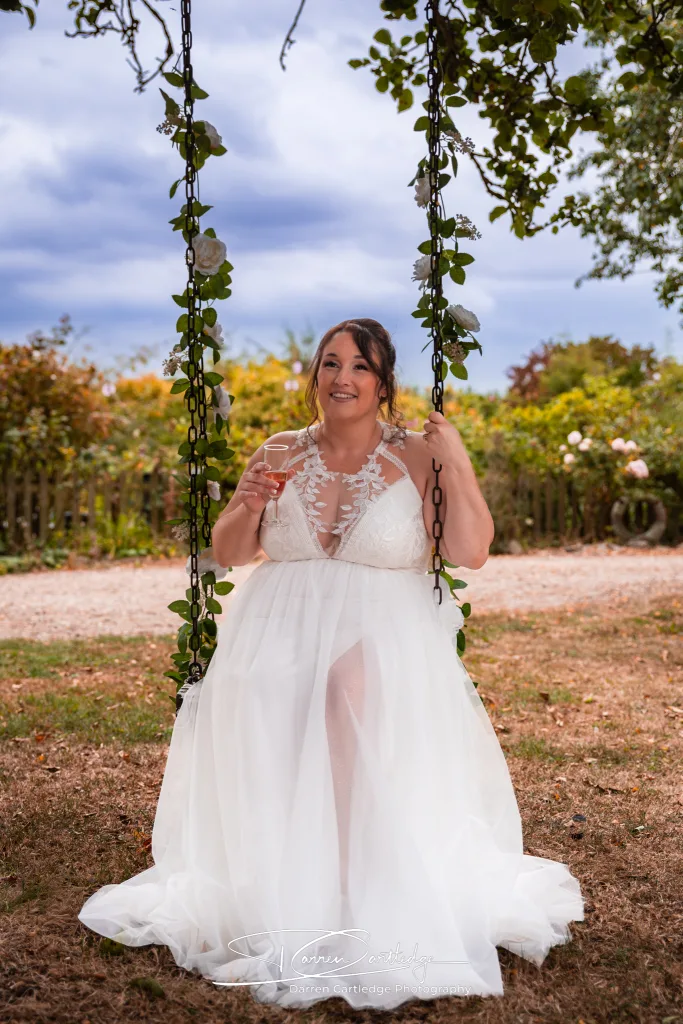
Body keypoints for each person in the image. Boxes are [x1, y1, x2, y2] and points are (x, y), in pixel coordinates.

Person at [78, 318, 584, 1010]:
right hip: (276, 629)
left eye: (360, 367)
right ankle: (281, 877)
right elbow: (228, 551)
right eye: (330, 363)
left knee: (346, 695)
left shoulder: (416, 455)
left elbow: (468, 551)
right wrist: (250, 499)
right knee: (273, 708)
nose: (342, 378)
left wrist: (456, 460)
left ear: (382, 384)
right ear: (314, 375)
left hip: (377, 629)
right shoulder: (281, 448)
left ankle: (353, 890)